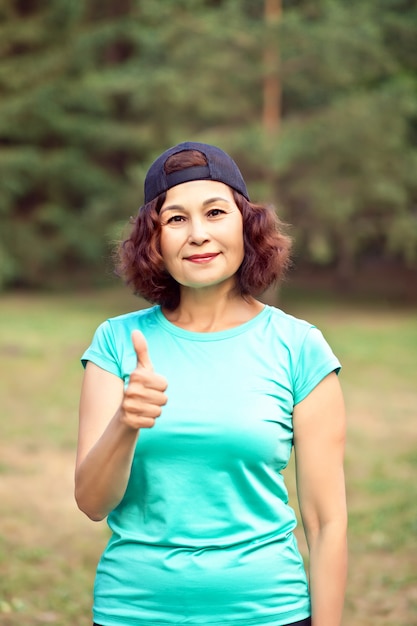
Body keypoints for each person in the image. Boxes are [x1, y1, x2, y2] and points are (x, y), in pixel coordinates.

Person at [75, 141, 347, 626]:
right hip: (134, 611)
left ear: (246, 224)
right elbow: (93, 504)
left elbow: (327, 524)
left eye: (215, 212)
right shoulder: (116, 342)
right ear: (153, 241)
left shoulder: (299, 348)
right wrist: (125, 423)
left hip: (269, 612)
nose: (198, 234)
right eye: (176, 219)